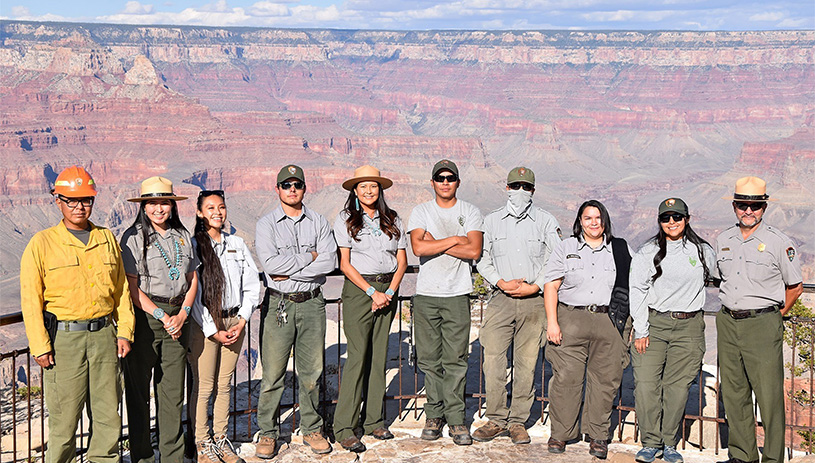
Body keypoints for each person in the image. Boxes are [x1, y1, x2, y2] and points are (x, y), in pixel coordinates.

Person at [20, 166, 135, 463]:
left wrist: (124, 330)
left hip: (104, 338)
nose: (79, 206)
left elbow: (121, 289)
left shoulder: (106, 238)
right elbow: (31, 299)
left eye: (86, 199)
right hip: (64, 343)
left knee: (108, 415)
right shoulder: (41, 243)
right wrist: (40, 345)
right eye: (71, 200)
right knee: (64, 419)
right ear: (57, 200)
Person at [715, 176, 802, 463]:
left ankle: (773, 458)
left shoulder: (778, 242)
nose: (748, 211)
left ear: (764, 208)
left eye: (754, 206)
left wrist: (776, 315)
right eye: (742, 205)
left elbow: (795, 286)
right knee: (734, 390)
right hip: (728, 322)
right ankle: (743, 455)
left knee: (769, 396)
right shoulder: (723, 240)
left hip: (763, 323)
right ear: (734, 206)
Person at [473, 166, 561, 445]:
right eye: (516, 186)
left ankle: (518, 421)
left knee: (526, 363)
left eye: (526, 186)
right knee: (493, 360)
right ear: (507, 188)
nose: (520, 191)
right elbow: (481, 258)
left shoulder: (546, 221)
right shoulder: (492, 221)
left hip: (534, 302)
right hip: (501, 299)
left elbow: (555, 259)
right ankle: (496, 418)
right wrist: (500, 282)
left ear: (533, 191)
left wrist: (535, 285)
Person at [254, 165, 338, 458]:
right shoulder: (266, 224)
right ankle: (267, 433)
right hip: (279, 303)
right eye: (286, 185)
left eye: (297, 184)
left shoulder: (318, 221)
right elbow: (271, 267)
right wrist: (308, 257)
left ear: (305, 188)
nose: (292, 189)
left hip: (313, 303)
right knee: (273, 373)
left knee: (312, 372)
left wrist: (292, 268)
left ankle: (312, 428)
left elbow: (328, 262)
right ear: (277, 189)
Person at [629, 198, 716, 463]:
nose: (672, 223)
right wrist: (641, 330)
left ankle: (669, 442)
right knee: (646, 385)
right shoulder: (649, 251)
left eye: (677, 217)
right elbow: (637, 290)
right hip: (654, 324)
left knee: (677, 388)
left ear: (686, 219)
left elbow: (719, 278)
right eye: (666, 218)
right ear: (660, 221)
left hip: (688, 326)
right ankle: (650, 441)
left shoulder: (702, 250)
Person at [543, 199, 630, 460]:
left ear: (605, 221)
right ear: (580, 221)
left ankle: (598, 435)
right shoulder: (566, 247)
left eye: (598, 218)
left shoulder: (620, 248)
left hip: (608, 321)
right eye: (588, 218)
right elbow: (551, 286)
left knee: (605, 381)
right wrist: (552, 322)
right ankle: (561, 432)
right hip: (572, 319)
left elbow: (632, 285)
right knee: (566, 379)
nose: (594, 223)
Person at [121, 176, 199, 463]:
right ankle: (142, 456)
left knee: (172, 392)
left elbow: (193, 279)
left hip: (179, 318)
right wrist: (161, 315)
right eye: (152, 203)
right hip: (146, 320)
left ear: (172, 205)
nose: (159, 208)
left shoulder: (183, 236)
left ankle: (172, 457)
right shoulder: (133, 238)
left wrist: (183, 314)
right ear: (143, 206)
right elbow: (131, 286)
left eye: (164, 202)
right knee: (139, 391)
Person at [332, 165, 408, 452]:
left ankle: (375, 419)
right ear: (355, 190)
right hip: (360, 292)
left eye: (373, 186)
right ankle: (345, 427)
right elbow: (345, 263)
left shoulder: (393, 218)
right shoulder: (346, 219)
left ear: (380, 189)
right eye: (363, 186)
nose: (368, 191)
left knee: (379, 357)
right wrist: (371, 292)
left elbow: (401, 261)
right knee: (357, 357)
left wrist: (388, 292)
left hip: (388, 291)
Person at [408, 159, 484, 446]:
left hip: (457, 294)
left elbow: (474, 250)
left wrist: (438, 241)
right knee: (430, 360)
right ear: (432, 182)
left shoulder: (470, 211)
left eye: (450, 178)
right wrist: (456, 240)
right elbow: (418, 247)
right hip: (427, 295)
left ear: (457, 182)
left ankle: (456, 419)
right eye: (440, 178)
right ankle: (433, 414)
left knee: (455, 360)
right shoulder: (421, 211)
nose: (445, 182)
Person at [188, 189, 261, 463]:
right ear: (199, 212)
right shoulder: (194, 246)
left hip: (235, 321)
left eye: (221, 207)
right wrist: (212, 329)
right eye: (210, 208)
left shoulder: (237, 244)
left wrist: (242, 319)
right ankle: (202, 443)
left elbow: (252, 285)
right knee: (205, 386)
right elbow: (193, 293)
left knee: (224, 385)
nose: (217, 212)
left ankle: (221, 438)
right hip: (205, 323)